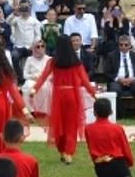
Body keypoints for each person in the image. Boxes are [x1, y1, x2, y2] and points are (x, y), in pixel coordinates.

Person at [30, 35, 97, 164]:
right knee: (71, 125)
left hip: (58, 95)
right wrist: (94, 94)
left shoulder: (53, 62)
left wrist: (34, 90)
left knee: (58, 124)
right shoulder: (76, 62)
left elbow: (43, 77)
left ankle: (61, 150)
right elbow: (85, 81)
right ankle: (69, 152)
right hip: (72, 94)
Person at [85, 98, 134, 177]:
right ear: (111, 112)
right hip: (118, 163)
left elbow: (90, 147)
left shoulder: (88, 129)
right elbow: (125, 147)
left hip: (101, 165)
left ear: (95, 113)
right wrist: (130, 162)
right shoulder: (117, 128)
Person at [103, 36, 135, 120]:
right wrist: (118, 79)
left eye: (126, 45)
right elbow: (107, 73)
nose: (123, 47)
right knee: (114, 89)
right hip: (117, 80)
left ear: (130, 46)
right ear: (118, 45)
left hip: (132, 80)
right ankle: (120, 114)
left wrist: (133, 79)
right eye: (121, 45)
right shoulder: (111, 56)